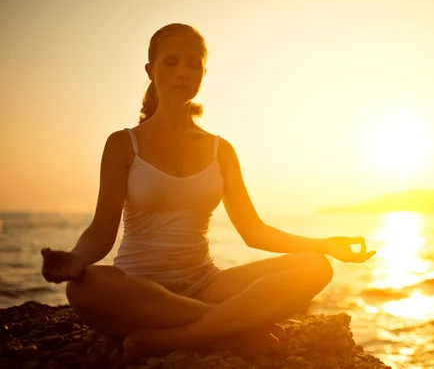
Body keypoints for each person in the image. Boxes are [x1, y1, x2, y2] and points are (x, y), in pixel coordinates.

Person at [40, 23, 376, 357]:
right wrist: (76, 260)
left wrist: (325, 244)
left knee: (315, 267)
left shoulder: (221, 150)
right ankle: (232, 327)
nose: (183, 72)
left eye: (193, 64)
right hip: (139, 289)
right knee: (85, 287)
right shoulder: (123, 144)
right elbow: (102, 230)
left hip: (206, 284)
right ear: (150, 70)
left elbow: (254, 231)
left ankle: (178, 337)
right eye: (171, 62)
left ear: (204, 72)